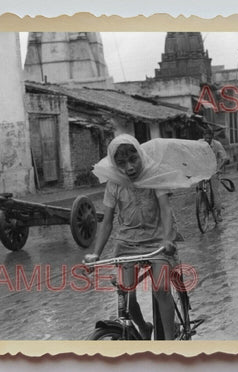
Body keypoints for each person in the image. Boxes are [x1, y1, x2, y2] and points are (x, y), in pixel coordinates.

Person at [84, 135, 178, 340]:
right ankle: (144, 327)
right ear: (115, 165)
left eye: (133, 160)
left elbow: (165, 209)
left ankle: (171, 345)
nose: (129, 167)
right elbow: (107, 222)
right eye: (122, 163)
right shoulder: (114, 183)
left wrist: (168, 239)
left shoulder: (155, 175)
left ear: (140, 154)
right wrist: (95, 254)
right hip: (127, 243)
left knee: (161, 289)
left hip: (157, 241)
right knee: (126, 296)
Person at [199, 128, 228, 222]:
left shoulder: (217, 145)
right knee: (201, 191)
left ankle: (219, 213)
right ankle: (204, 213)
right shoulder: (198, 143)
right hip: (202, 170)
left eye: (209, 138)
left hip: (213, 170)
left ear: (212, 137)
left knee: (215, 192)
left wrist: (219, 168)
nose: (207, 140)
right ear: (203, 136)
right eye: (206, 138)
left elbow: (224, 158)